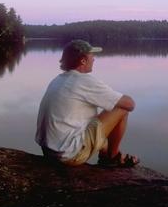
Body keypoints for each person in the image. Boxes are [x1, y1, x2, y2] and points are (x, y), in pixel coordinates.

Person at [35, 39, 139, 167]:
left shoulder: (58, 79)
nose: (94, 59)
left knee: (100, 120)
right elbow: (130, 104)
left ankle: (110, 154)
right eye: (92, 56)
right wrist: (114, 97)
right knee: (121, 109)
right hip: (68, 155)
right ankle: (112, 158)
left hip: (49, 151)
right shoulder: (83, 81)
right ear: (83, 60)